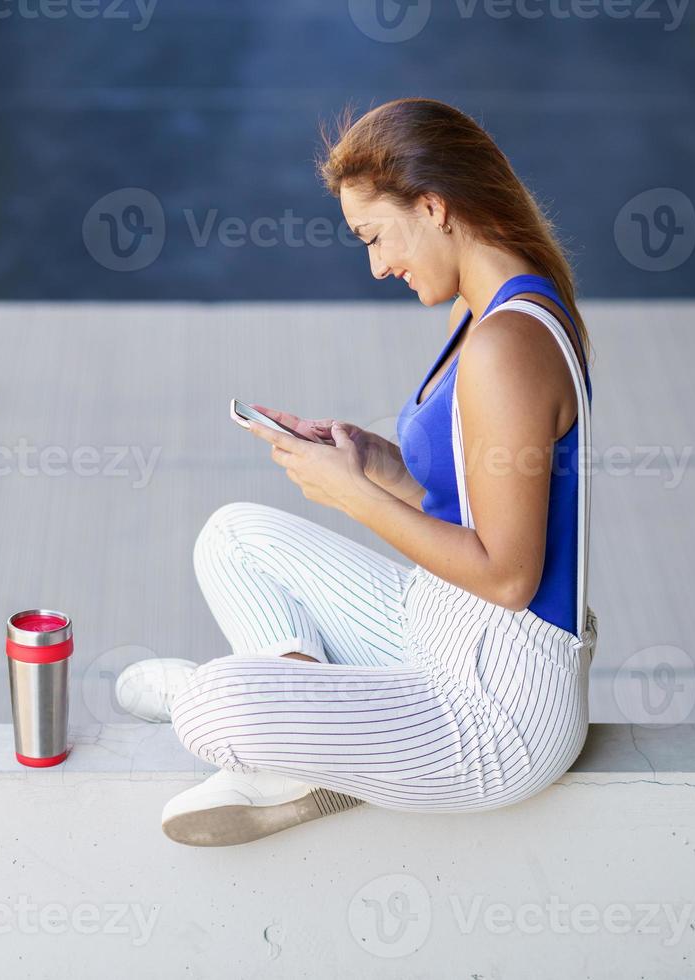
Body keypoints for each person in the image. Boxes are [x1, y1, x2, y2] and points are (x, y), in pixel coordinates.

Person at [117, 98, 598, 847]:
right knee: (231, 537)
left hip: (497, 709)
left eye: (376, 237)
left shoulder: (507, 345)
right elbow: (467, 499)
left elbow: (509, 577)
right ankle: (317, 751)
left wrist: (352, 500)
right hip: (436, 625)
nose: (378, 265)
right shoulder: (485, 314)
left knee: (212, 705)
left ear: (434, 206)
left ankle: (285, 734)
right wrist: (372, 466)